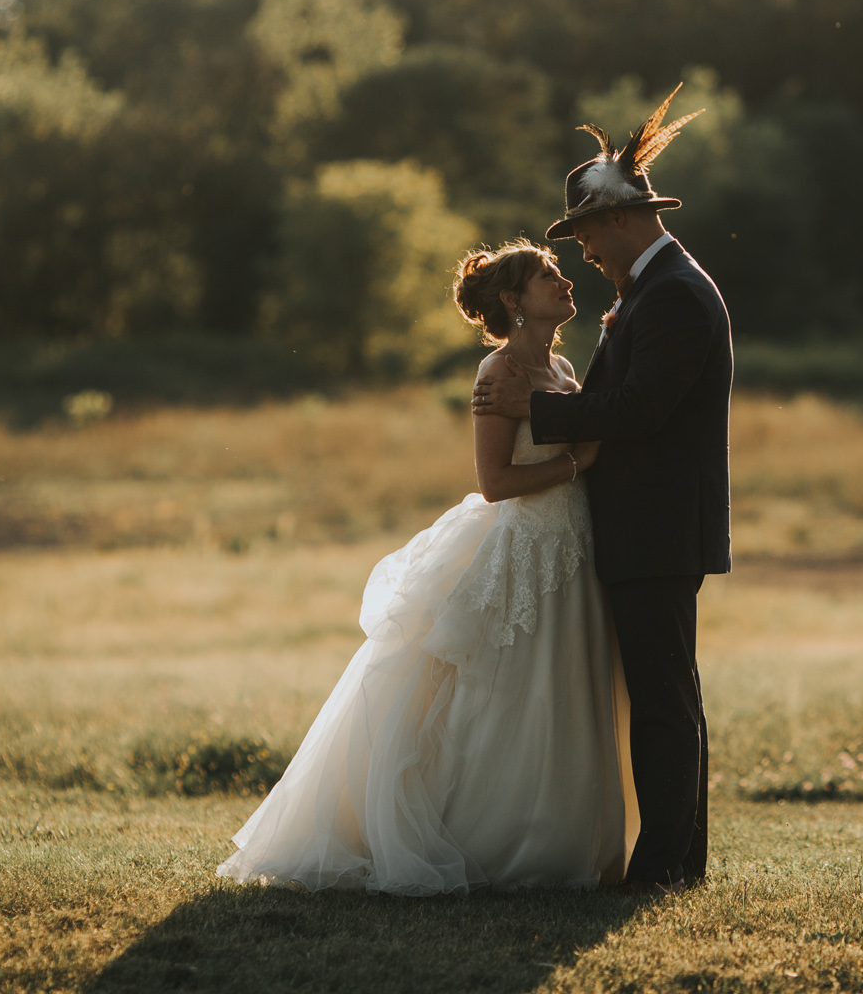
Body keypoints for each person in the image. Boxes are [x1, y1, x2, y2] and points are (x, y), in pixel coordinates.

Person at [216, 240, 637, 894]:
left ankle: (562, 840)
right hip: (526, 548)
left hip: (573, 553)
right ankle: (492, 841)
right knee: (506, 698)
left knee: (564, 694)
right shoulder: (497, 376)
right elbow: (495, 481)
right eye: (547, 276)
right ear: (512, 301)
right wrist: (580, 463)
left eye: (559, 271)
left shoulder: (561, 368)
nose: (563, 281)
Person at [473, 84, 731, 894]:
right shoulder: (646, 293)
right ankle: (676, 862)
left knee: (662, 698)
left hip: (658, 526)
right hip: (640, 525)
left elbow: (641, 410)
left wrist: (534, 408)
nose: (581, 252)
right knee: (664, 692)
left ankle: (663, 869)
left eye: (583, 234)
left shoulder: (676, 296)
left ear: (618, 221)